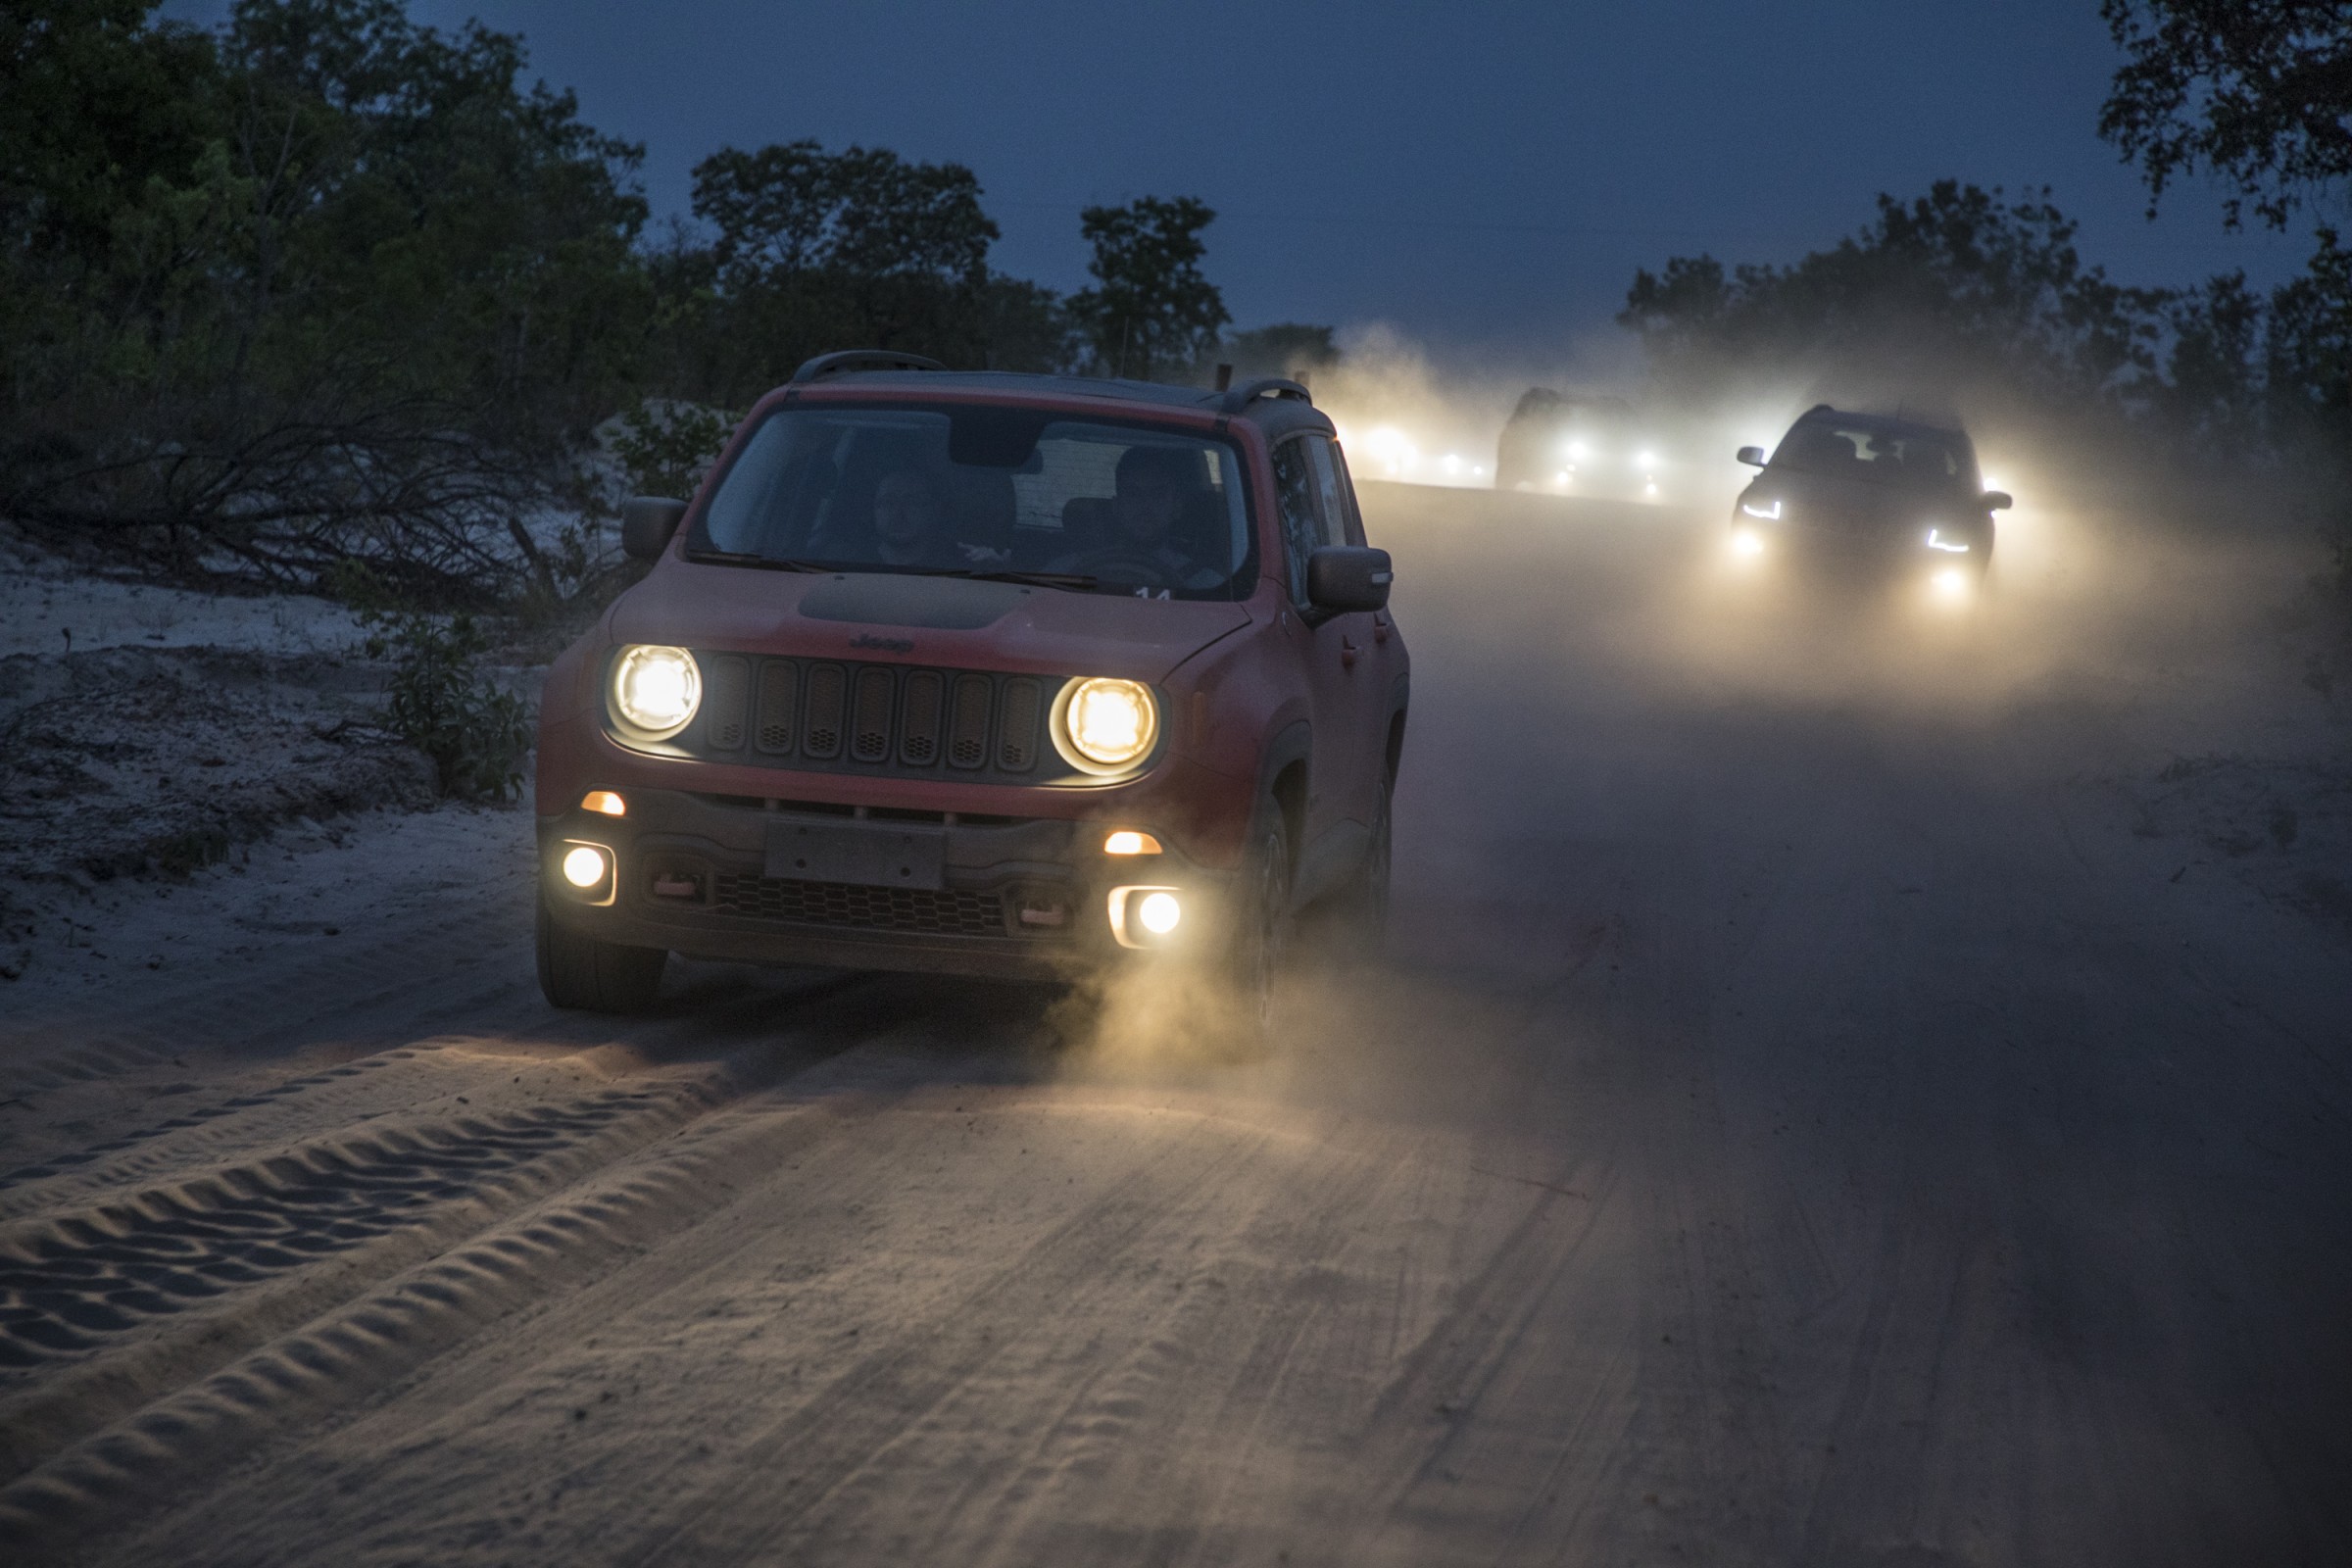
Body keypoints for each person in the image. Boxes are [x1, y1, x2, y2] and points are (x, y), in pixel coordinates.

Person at [1054, 445, 1224, 590]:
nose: (1145, 504)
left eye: (1157, 494)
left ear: (1176, 507)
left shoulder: (1206, 584)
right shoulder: (1065, 571)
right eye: (1133, 494)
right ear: (1116, 506)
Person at [868, 466, 957, 568]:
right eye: (888, 502)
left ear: (933, 510)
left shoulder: (957, 566)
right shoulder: (853, 565)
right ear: (874, 509)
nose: (898, 512)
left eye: (911, 502)